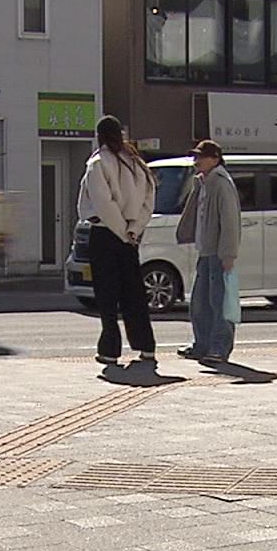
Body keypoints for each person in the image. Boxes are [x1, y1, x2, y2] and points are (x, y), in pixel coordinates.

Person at [77, 115, 158, 366]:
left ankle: (110, 349)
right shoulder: (136, 162)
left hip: (105, 234)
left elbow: (103, 204)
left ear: (99, 135)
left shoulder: (99, 163)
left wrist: (121, 230)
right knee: (133, 291)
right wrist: (133, 229)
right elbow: (148, 200)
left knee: (107, 293)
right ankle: (145, 345)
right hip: (132, 237)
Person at [175, 140, 240, 363]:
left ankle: (220, 348)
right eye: (195, 157)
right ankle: (201, 344)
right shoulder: (203, 183)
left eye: (201, 157)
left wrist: (228, 254)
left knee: (220, 302)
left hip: (219, 253)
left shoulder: (221, 183)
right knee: (200, 302)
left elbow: (230, 221)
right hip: (205, 251)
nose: (196, 161)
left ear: (214, 158)